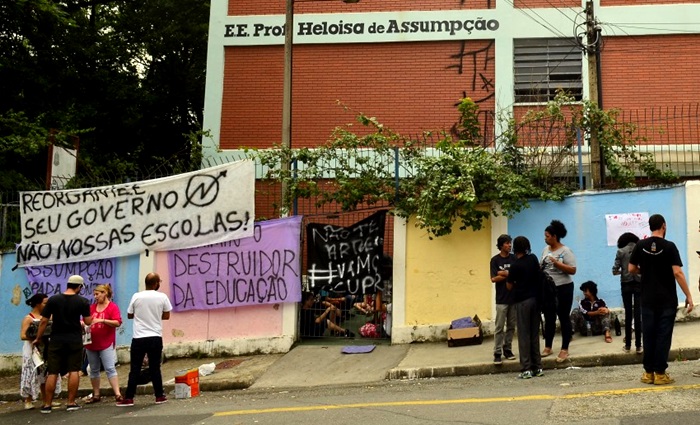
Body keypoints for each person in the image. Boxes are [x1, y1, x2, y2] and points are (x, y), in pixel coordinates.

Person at [629, 214, 693, 385]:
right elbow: (677, 273)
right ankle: (660, 373)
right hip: (666, 300)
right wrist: (688, 295)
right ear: (663, 226)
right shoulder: (670, 246)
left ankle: (648, 372)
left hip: (647, 299)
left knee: (648, 334)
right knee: (663, 335)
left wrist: (646, 272)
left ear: (650, 227)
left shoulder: (640, 245)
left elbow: (631, 268)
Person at [32, 275, 93, 413]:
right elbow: (88, 322)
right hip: (74, 339)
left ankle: (47, 404)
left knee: (53, 372)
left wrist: (38, 337)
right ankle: (71, 402)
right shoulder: (82, 301)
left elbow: (43, 321)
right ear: (79, 287)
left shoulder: (53, 300)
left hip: (56, 339)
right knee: (73, 371)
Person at [117, 272, 173, 407]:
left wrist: (141, 315)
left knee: (135, 368)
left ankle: (129, 397)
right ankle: (159, 395)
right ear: (155, 284)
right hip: (155, 336)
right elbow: (166, 316)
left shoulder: (136, 296)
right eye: (159, 282)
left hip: (139, 337)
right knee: (155, 368)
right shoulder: (162, 297)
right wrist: (154, 315)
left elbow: (130, 315)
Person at [506, 236, 543, 379]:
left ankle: (526, 368)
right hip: (535, 300)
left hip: (522, 301)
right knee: (534, 334)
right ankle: (537, 367)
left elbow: (509, 286)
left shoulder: (515, 266)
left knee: (523, 335)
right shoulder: (533, 258)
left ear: (515, 248)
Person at [541, 219, 577, 363]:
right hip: (549, 289)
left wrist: (557, 263)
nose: (545, 238)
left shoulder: (565, 251)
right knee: (549, 317)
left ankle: (564, 349)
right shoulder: (545, 250)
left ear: (554, 236)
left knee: (563, 317)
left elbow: (573, 270)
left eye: (547, 236)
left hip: (564, 288)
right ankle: (548, 346)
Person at [84, 284, 123, 404]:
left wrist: (102, 320)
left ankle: (117, 393)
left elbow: (117, 322)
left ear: (104, 293)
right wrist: (83, 324)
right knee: (93, 369)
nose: (95, 297)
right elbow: (85, 320)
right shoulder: (92, 308)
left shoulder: (112, 307)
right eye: (94, 294)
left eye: (97, 294)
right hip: (91, 343)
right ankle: (96, 394)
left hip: (106, 342)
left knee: (110, 368)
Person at [613, 232, 643, 354]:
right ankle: (639, 346)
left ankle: (628, 345)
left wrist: (624, 271)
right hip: (638, 282)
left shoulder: (620, 251)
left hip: (625, 283)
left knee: (628, 313)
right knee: (638, 313)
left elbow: (614, 270)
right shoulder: (640, 249)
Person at [490, 234, 517, 365]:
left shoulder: (514, 258)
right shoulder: (495, 260)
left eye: (510, 243)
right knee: (499, 327)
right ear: (501, 245)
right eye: (507, 243)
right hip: (501, 299)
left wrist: (504, 273)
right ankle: (497, 352)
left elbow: (517, 275)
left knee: (511, 326)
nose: (510, 245)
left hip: (514, 298)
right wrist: (509, 275)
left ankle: (508, 349)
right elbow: (493, 278)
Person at [20, 294, 49, 410]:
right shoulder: (29, 318)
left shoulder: (47, 317)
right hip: (32, 349)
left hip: (44, 348)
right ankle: (28, 400)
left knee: (44, 373)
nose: (47, 305)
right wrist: (36, 337)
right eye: (45, 303)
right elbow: (22, 335)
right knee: (30, 372)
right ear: (38, 304)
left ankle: (46, 399)